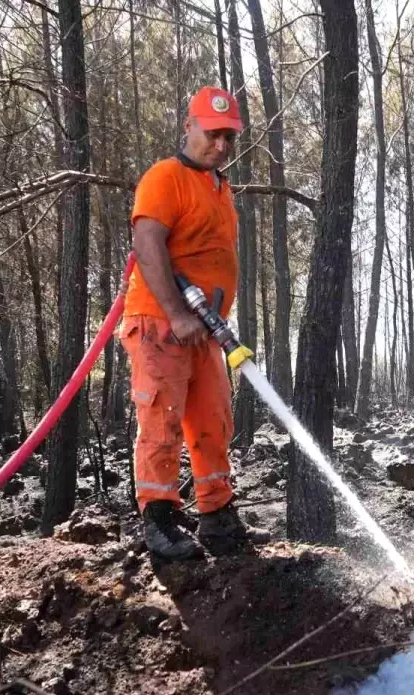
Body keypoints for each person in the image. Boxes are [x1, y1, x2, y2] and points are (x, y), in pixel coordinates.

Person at [120, 86, 251, 560]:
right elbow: (147, 242)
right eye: (212, 134)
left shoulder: (220, 187)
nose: (220, 145)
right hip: (161, 322)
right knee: (162, 419)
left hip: (203, 329)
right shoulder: (165, 177)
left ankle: (217, 516)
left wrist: (204, 320)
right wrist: (176, 312)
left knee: (212, 419)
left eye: (229, 138)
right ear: (188, 127)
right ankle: (159, 521)